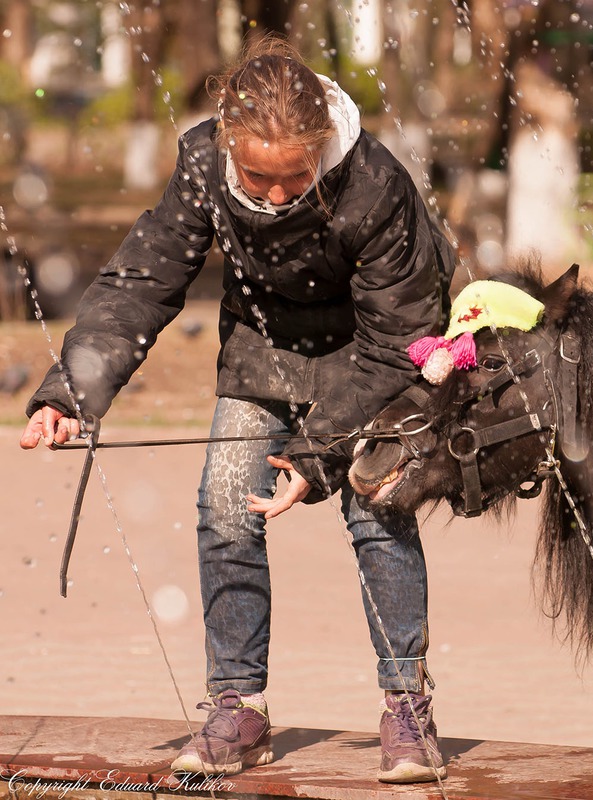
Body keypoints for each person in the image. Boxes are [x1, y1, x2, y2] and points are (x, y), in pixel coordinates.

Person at [19, 37, 454, 784]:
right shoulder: (201, 165)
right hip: (265, 344)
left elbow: (400, 339)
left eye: (296, 179)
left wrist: (320, 458)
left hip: (376, 355)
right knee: (224, 501)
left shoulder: (374, 184)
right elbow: (142, 281)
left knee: (375, 508)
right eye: (259, 177)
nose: (279, 195)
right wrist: (71, 392)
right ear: (227, 144)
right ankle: (238, 706)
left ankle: (406, 706)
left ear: (321, 147)